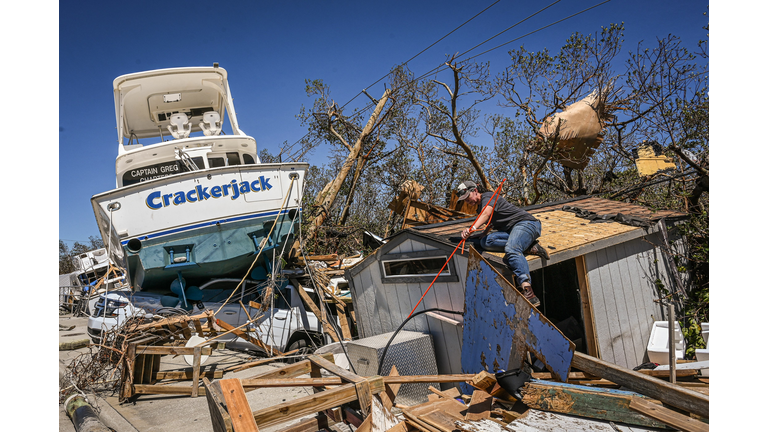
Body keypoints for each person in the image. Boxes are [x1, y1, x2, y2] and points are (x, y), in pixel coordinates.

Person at [457, 180, 549, 307]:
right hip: (511, 231)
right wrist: (483, 233)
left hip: (526, 224)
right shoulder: (480, 208)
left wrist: (471, 229)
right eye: (464, 200)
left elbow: (486, 213)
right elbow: (490, 221)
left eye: (467, 197)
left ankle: (528, 292)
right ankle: (528, 246)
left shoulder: (488, 197)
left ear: (475, 191)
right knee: (486, 242)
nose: (467, 201)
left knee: (512, 249)